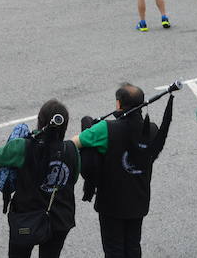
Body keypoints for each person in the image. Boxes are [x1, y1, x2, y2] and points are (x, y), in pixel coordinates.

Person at [74, 84, 173, 258]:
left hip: (111, 203)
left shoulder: (106, 129)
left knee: (113, 249)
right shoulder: (153, 130)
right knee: (133, 246)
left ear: (119, 104)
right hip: (139, 200)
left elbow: (76, 142)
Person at [0, 100, 79, 258]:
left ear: (40, 121)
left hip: (26, 218)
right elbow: (73, 178)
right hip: (60, 218)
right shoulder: (71, 150)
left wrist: (14, 140)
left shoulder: (23, 146)